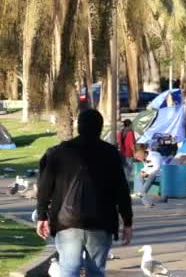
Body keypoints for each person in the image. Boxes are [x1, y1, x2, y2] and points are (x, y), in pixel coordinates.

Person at [36, 109, 133, 277]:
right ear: (100, 128)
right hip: (101, 221)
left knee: (68, 269)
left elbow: (45, 187)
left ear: (78, 126)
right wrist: (127, 222)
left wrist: (42, 215)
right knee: (95, 271)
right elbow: (122, 191)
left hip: (66, 221)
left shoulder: (58, 153)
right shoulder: (110, 153)